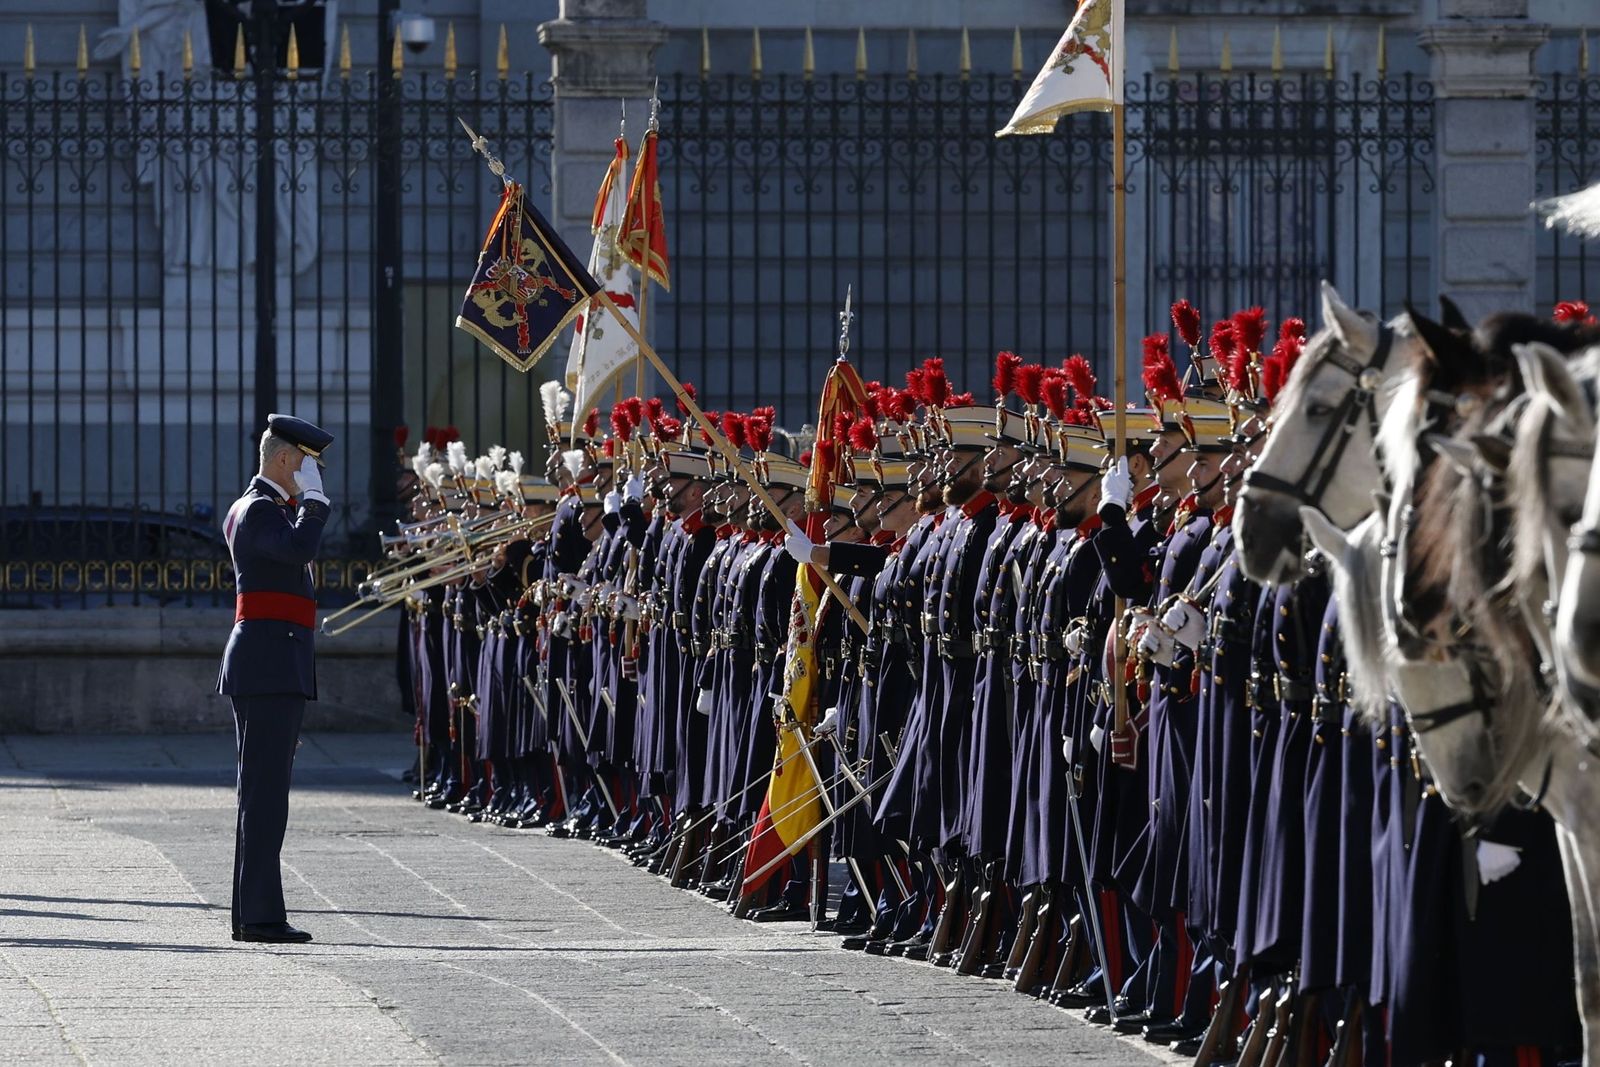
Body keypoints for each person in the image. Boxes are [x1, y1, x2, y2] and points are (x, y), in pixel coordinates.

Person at [216, 413, 334, 944]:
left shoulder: (263, 508)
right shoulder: (260, 509)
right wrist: (316, 503)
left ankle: (254, 913)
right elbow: (298, 549)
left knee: (262, 795)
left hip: (270, 661)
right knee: (264, 797)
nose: (314, 475)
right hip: (268, 664)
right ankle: (260, 917)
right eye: (308, 465)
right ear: (285, 459)